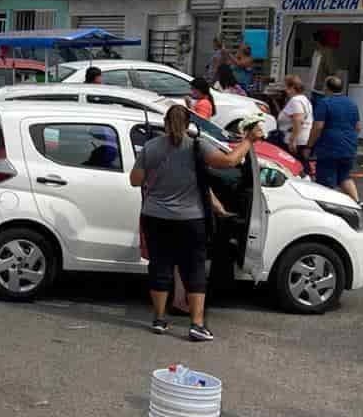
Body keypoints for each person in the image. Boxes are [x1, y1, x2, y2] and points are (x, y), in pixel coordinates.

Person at [129, 104, 258, 341]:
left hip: (155, 217)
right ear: (189, 125)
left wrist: (154, 171)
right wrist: (249, 140)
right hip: (191, 219)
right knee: (194, 269)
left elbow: (135, 181)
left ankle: (159, 320)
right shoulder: (198, 146)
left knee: (160, 266)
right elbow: (230, 162)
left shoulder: (150, 147)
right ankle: (197, 325)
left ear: (166, 123)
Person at [309, 75, 362, 201]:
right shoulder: (352, 103)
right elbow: (358, 127)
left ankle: (330, 209)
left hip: (330, 148)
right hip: (349, 148)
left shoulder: (324, 103)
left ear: (326, 88)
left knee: (326, 182)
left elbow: (318, 127)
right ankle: (357, 202)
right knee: (345, 177)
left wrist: (309, 145)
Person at [277, 75, 314, 173]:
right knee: (302, 167)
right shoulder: (304, 99)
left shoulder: (296, 100)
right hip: (303, 139)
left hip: (296, 141)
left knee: (295, 169)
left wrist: (292, 140)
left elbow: (298, 120)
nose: (285, 90)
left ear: (292, 88)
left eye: (286, 87)